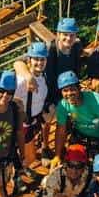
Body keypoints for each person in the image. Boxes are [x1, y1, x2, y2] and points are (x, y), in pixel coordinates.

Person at [17, 18, 83, 162]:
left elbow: (82, 57)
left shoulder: (77, 47)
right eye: (65, 34)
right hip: (49, 91)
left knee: (67, 119)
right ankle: (45, 146)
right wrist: (29, 77)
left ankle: (64, 145)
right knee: (47, 120)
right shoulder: (49, 49)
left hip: (67, 89)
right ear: (58, 34)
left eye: (72, 35)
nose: (68, 38)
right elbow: (18, 62)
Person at [54, 70, 99, 161]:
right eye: (65, 90)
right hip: (80, 135)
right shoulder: (63, 105)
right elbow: (60, 130)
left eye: (72, 89)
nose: (69, 94)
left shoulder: (96, 101)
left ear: (79, 88)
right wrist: (57, 156)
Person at [13, 41, 51, 180]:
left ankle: (22, 169)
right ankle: (16, 175)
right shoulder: (23, 80)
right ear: (29, 60)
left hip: (33, 121)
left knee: (28, 154)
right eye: (36, 59)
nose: (39, 63)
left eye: (42, 59)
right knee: (29, 155)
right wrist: (21, 117)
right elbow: (14, 101)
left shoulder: (42, 76)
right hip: (23, 123)